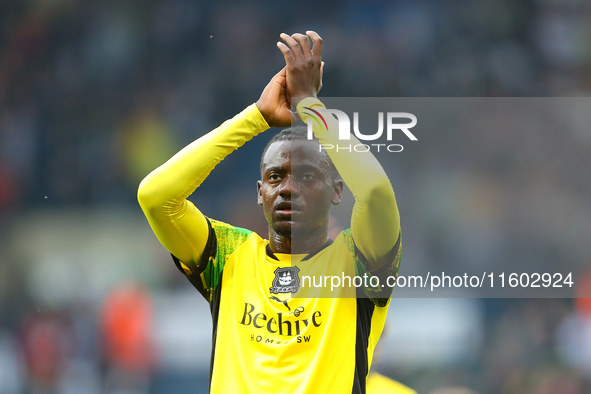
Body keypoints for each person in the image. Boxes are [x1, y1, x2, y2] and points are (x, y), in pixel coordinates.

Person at [138, 31, 401, 394]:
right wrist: (256, 118)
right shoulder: (230, 257)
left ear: (338, 191)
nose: (288, 188)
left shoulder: (357, 263)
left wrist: (310, 105)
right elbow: (155, 195)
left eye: (308, 176)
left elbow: (373, 191)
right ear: (260, 194)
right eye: (275, 177)